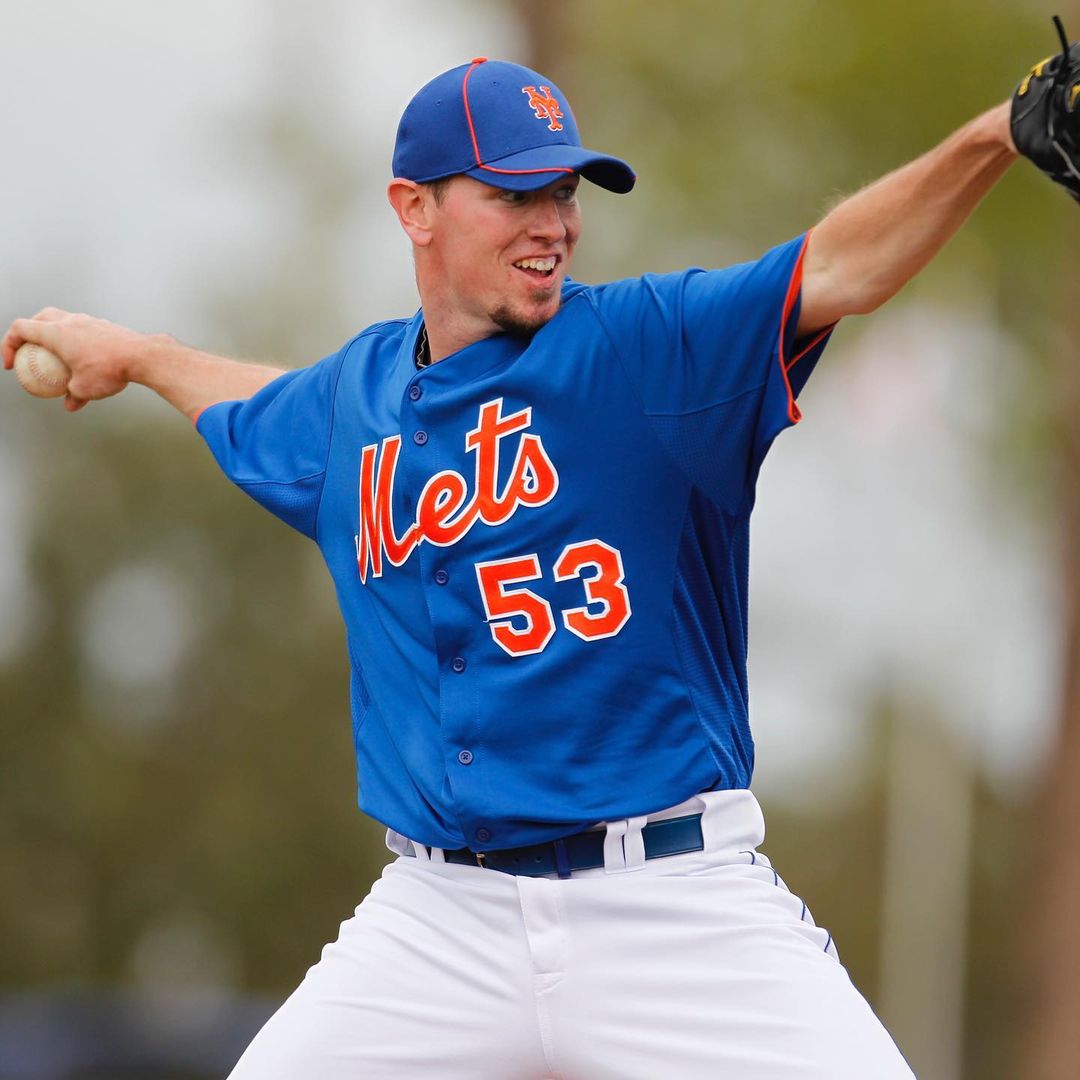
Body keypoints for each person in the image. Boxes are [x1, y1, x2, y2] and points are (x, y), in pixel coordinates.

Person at [2, 46, 1073, 1079]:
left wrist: (997, 136)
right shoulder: (350, 405)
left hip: (670, 904)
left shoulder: (646, 350)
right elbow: (245, 400)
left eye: (563, 193)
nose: (553, 225)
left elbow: (837, 263)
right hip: (437, 923)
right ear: (413, 207)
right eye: (513, 196)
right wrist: (138, 357)